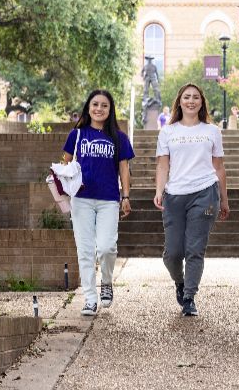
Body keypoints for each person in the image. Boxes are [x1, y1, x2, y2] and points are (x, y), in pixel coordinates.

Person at [154, 83, 230, 317]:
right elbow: (163, 164)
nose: (191, 101)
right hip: (175, 195)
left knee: (195, 249)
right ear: (179, 102)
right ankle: (180, 281)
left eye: (196, 97)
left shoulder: (211, 131)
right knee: (173, 253)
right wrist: (159, 191)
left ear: (201, 102)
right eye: (186, 97)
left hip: (205, 193)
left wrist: (224, 199)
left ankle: (189, 298)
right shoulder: (168, 132)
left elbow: (219, 168)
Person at [63, 89, 135, 316]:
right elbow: (65, 163)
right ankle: (90, 299)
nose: (99, 109)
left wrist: (126, 196)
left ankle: (106, 282)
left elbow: (124, 168)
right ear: (88, 107)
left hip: (108, 199)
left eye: (104, 105)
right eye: (95, 104)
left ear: (110, 109)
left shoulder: (119, 137)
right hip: (81, 200)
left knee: (106, 247)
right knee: (85, 250)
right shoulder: (76, 135)